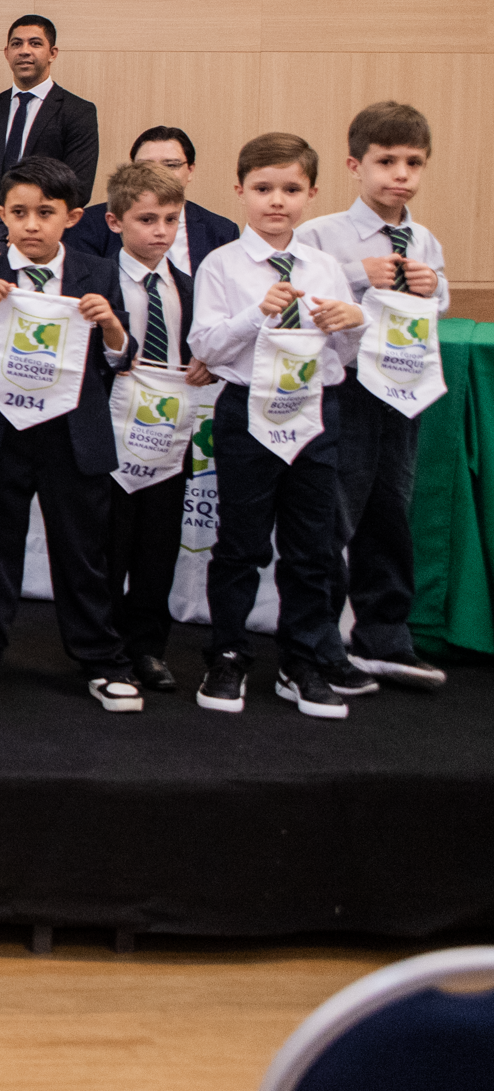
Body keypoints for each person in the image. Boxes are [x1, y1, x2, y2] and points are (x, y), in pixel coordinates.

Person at [185, 132, 365, 721]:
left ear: (312, 193)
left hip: (315, 410)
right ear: (240, 191)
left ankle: (302, 660)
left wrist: (352, 321)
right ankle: (230, 652)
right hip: (246, 409)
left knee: (312, 545)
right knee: (240, 542)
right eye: (263, 189)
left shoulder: (325, 267)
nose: (277, 201)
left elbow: (346, 355)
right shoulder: (221, 265)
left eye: (291, 189)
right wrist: (252, 314)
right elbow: (205, 346)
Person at [0, 155, 140, 712]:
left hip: (72, 432)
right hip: (5, 429)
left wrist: (109, 323)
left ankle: (103, 661)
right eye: (18, 212)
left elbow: (121, 358)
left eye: (45, 213)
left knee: (82, 553)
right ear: (2, 214)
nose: (31, 224)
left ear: (72, 217)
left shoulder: (98, 273)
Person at [298, 100, 448, 693]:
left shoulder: (425, 240)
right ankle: (321, 640)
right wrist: (358, 273)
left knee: (391, 509)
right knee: (335, 509)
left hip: (403, 390)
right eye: (386, 160)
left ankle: (384, 636)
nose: (400, 173)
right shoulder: (321, 234)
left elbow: (431, 316)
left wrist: (435, 291)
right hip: (346, 386)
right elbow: (298, 303)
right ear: (355, 165)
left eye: (414, 162)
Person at [97, 160, 207, 693]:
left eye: (170, 219)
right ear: (116, 222)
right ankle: (105, 645)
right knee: (110, 543)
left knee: (159, 544)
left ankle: (148, 647)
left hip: (167, 436)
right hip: (112, 433)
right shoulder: (94, 278)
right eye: (146, 220)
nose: (160, 231)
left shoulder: (188, 284)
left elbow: (203, 347)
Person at [0, 14, 101, 205]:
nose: (24, 51)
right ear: (6, 53)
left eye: (35, 44)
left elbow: (78, 187)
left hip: (45, 226)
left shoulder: (78, 112)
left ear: (52, 53)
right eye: (16, 44)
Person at [70, 127, 239, 270]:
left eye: (171, 165)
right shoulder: (88, 224)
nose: (158, 173)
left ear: (190, 171)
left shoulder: (221, 232)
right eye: (146, 165)